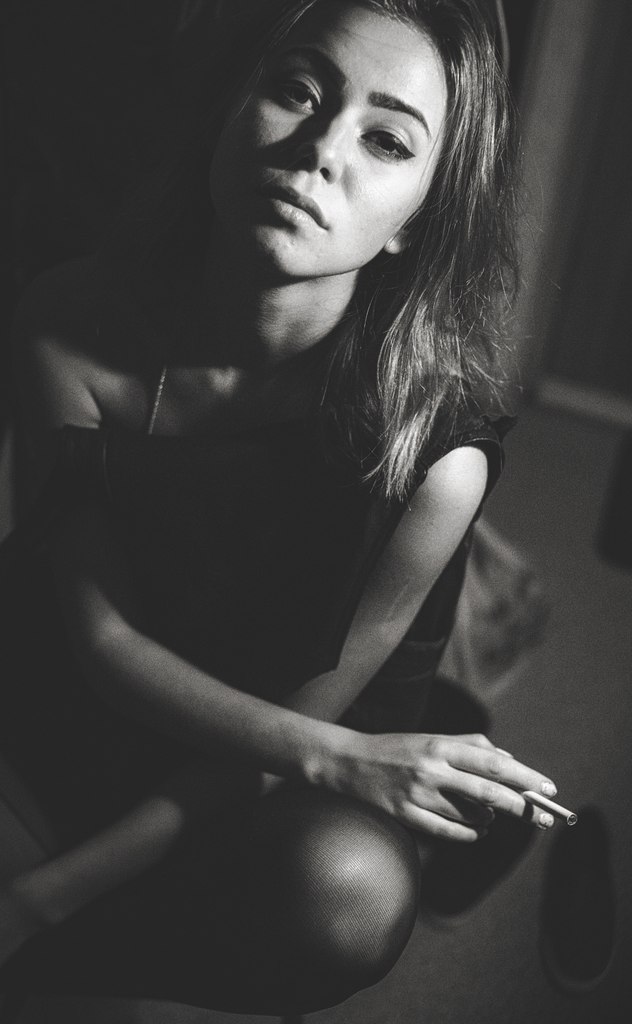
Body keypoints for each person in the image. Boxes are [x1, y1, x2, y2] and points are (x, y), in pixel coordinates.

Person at [0, 0, 559, 1016]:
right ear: (230, 109)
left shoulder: (437, 456)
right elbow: (99, 640)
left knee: (350, 895)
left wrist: (43, 901)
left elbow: (298, 731)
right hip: (113, 692)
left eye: (387, 140)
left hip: (288, 737)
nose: (320, 152)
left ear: (416, 220)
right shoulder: (65, 324)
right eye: (297, 90)